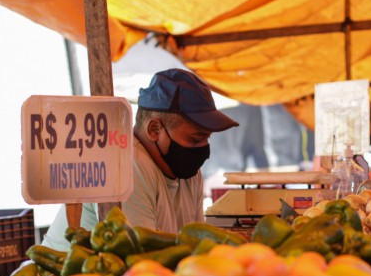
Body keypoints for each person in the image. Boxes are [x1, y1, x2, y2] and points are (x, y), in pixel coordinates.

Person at [42, 69, 239, 251]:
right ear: (154, 129)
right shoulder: (128, 165)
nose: (204, 150)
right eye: (195, 139)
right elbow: (140, 257)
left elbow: (195, 245)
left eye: (207, 138)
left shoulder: (189, 174)